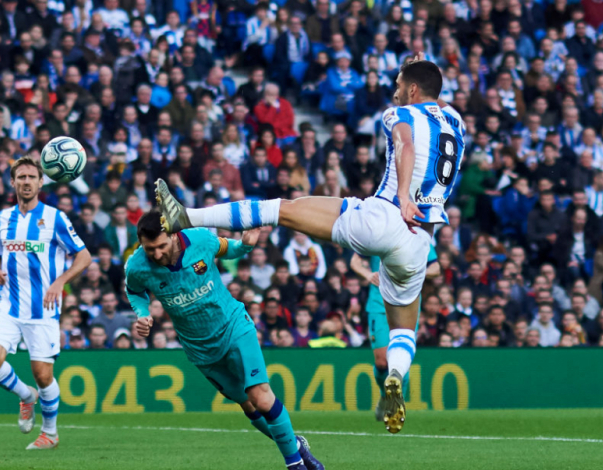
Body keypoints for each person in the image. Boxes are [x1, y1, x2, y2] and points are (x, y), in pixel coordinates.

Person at [155, 57, 464, 434]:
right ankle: (395, 376)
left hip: (387, 216)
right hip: (420, 240)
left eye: (400, 84)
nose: (395, 90)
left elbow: (405, 144)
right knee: (403, 329)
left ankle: (187, 217)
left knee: (281, 210)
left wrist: (401, 195)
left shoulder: (397, 114)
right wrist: (419, 69)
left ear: (412, 91)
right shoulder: (456, 122)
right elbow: (433, 102)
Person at [125, 211, 324, 470]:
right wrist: (142, 314)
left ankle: (295, 464)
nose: (157, 254)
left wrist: (245, 245)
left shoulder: (200, 239)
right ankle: (295, 446)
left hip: (233, 326)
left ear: (174, 235)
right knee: (249, 406)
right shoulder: (137, 265)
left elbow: (228, 248)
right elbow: (134, 290)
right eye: (150, 249)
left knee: (261, 398)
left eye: (161, 246)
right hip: (200, 349)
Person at [0, 157, 91, 450]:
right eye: (21, 177)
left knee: (44, 375)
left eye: (31, 177)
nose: (26, 181)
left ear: (41, 182)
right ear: (13, 182)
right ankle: (26, 396)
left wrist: (60, 282)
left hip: (43, 307)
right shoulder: (2, 219)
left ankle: (50, 434)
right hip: (7, 305)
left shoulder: (55, 218)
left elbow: (84, 256)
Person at [350, 244, 439, 422]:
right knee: (382, 362)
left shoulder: (416, 234)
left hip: (407, 302)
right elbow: (354, 261)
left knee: (399, 354)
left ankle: (396, 403)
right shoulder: (377, 232)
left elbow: (436, 267)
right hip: (379, 302)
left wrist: (419, 273)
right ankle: (385, 396)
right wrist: (368, 275)